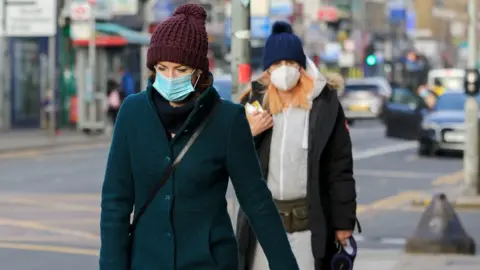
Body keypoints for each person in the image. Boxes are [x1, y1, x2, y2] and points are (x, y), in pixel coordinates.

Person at [99, 4, 299, 270]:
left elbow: (256, 201)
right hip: (146, 262)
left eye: (180, 70)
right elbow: (116, 203)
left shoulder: (228, 120)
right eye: (162, 67)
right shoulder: (132, 113)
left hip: (210, 262)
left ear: (198, 72)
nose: (169, 77)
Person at [236, 21, 358, 270]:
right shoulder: (253, 105)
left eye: (291, 63)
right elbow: (226, 161)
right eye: (277, 64)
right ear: (268, 70)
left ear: (302, 67)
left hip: (308, 228)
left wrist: (344, 223)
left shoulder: (324, 106)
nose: (285, 70)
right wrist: (248, 133)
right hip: (263, 227)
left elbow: (340, 167)